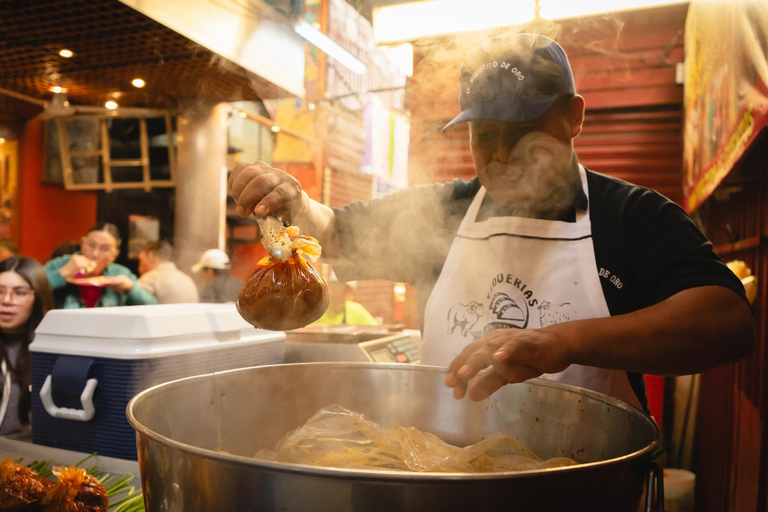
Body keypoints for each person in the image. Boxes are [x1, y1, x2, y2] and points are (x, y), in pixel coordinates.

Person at [228, 33, 754, 412]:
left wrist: (564, 342)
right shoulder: (442, 213)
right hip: (449, 472)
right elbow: (334, 231)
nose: (501, 155)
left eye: (522, 128)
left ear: (573, 116)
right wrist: (293, 202)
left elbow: (726, 321)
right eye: (484, 134)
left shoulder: (630, 216)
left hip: (583, 480)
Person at [44, 223, 157, 309]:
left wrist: (131, 289)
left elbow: (153, 305)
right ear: (82, 244)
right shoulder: (62, 263)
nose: (95, 254)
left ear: (114, 255)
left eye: (104, 249)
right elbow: (31, 287)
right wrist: (63, 272)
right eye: (91, 245)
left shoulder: (119, 273)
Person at [0, 257, 54, 436]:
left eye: (20, 292)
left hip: (32, 455)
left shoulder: (51, 349)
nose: (7, 300)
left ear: (37, 297)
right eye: (0, 291)